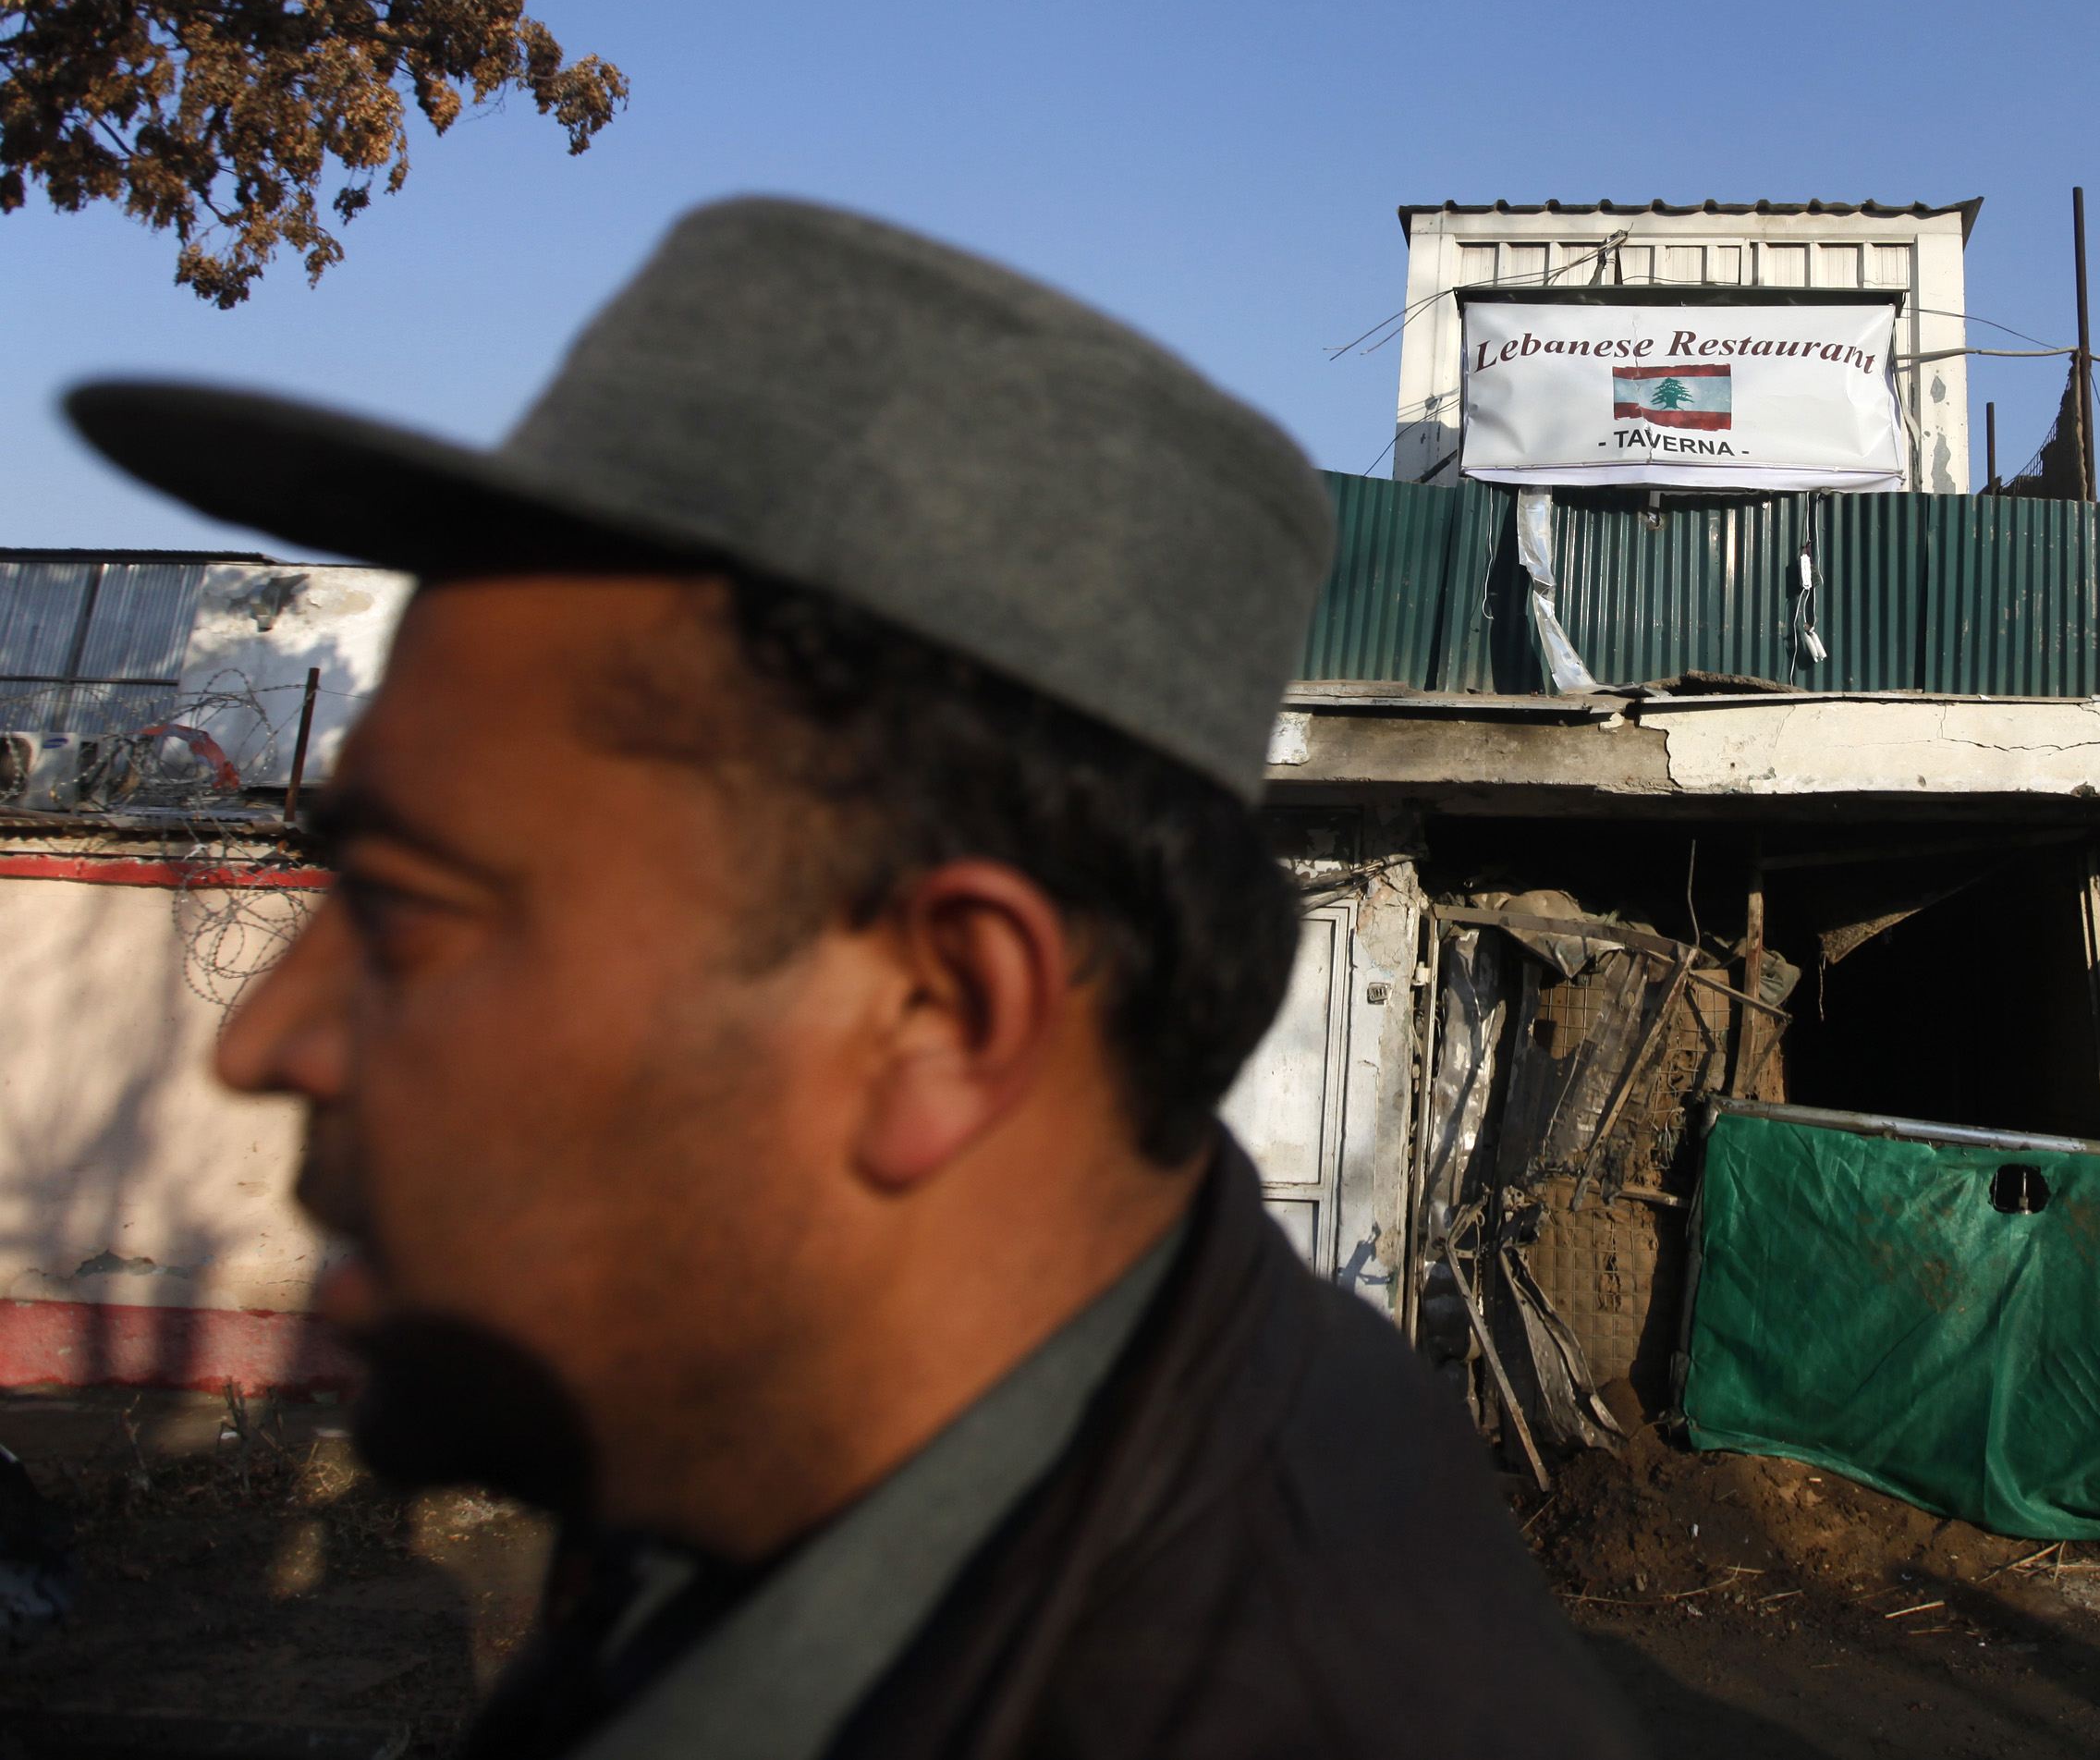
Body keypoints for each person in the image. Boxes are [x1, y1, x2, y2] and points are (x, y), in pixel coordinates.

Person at [67, 201, 1644, 1760]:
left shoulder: (1290, 1687)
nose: (264, 1039)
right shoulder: (791, 1449)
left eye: (415, 911)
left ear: (940, 1017)